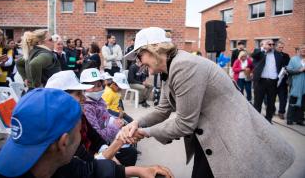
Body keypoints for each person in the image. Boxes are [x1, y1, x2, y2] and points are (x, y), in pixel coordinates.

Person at [117, 27, 294, 178]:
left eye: (140, 56)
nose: (139, 63)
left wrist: (144, 132)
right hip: (212, 135)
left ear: (154, 49)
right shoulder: (169, 67)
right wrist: (136, 123)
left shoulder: (183, 65)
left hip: (230, 136)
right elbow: (163, 109)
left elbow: (185, 123)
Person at [44, 71, 173, 177]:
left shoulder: (79, 117)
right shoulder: (64, 133)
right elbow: (86, 167)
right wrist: (118, 144)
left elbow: (97, 140)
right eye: (78, 94)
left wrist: (113, 153)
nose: (84, 98)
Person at [80, 68, 138, 166]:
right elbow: (97, 136)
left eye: (98, 85)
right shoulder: (86, 108)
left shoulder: (98, 99)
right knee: (130, 153)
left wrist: (115, 121)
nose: (96, 89)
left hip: (107, 138)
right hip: (100, 145)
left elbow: (106, 114)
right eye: (91, 86)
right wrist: (115, 126)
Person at [251, 39, 284, 123]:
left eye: (273, 44)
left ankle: (268, 119)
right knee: (258, 101)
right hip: (261, 81)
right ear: (262, 44)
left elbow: (280, 66)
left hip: (272, 81)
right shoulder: (259, 52)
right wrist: (263, 49)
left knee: (271, 102)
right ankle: (256, 120)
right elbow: (253, 55)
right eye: (269, 44)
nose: (271, 46)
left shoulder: (278, 54)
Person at [286, 44, 305, 126]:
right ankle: (290, 118)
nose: (304, 50)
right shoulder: (293, 59)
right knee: (293, 101)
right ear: (299, 50)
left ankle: (299, 119)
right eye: (302, 48)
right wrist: (299, 71)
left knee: (303, 102)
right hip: (295, 84)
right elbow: (289, 70)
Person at [276, 41, 290, 119]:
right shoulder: (272, 55)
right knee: (270, 96)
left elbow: (289, 65)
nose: (281, 49)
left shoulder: (286, 56)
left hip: (283, 80)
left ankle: (281, 112)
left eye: (282, 47)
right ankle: (272, 109)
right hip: (273, 80)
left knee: (283, 97)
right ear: (276, 47)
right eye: (279, 47)